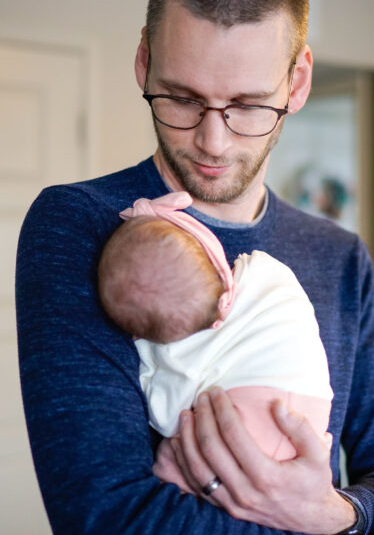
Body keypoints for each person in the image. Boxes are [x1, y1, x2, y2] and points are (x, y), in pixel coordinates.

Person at [16, 0, 374, 535]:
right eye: (180, 97)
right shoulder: (79, 226)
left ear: (296, 82)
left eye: (245, 105)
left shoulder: (339, 255)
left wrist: (338, 512)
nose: (211, 141)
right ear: (144, 62)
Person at [97, 190, 334, 487]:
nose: (215, 143)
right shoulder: (266, 270)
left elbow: (167, 415)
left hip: (249, 426)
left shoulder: (178, 352)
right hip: (313, 420)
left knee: (175, 455)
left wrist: (146, 359)